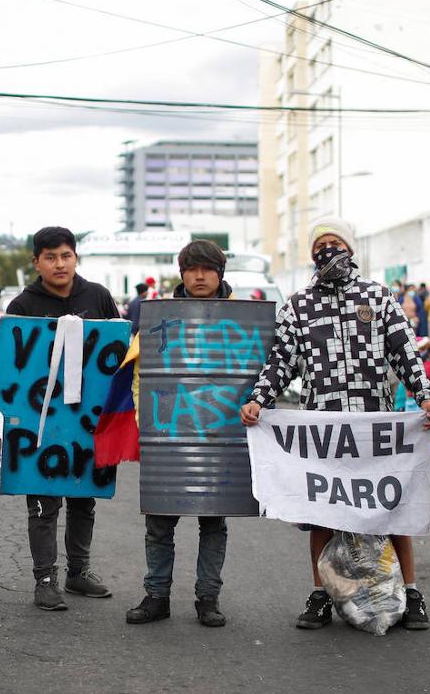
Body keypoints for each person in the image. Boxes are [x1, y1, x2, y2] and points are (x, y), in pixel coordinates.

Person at [239, 216, 430, 632]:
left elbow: (405, 351)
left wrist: (425, 395)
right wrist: (259, 400)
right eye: (320, 244)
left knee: (390, 508)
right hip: (324, 431)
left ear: (350, 247)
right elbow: (282, 362)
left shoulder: (379, 297)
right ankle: (320, 596)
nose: (327, 250)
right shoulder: (298, 306)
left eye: (335, 242)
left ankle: (413, 593)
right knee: (322, 512)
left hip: (374, 426)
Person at [6, 226, 120, 611]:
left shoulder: (98, 297)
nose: (59, 264)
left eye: (66, 255)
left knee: (83, 498)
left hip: (87, 420)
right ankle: (45, 579)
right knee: (43, 503)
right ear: (36, 262)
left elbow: (119, 354)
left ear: (75, 258)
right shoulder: (22, 306)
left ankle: (78, 573)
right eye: (50, 257)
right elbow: (13, 371)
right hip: (41, 422)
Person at [127, 240, 232, 629]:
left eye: (207, 268)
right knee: (159, 522)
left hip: (220, 439)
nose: (199, 276)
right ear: (182, 273)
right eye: (192, 269)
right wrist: (144, 423)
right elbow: (141, 374)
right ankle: (157, 597)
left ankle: (208, 599)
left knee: (213, 522)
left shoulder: (242, 317)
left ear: (220, 273)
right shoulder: (158, 317)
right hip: (166, 433)